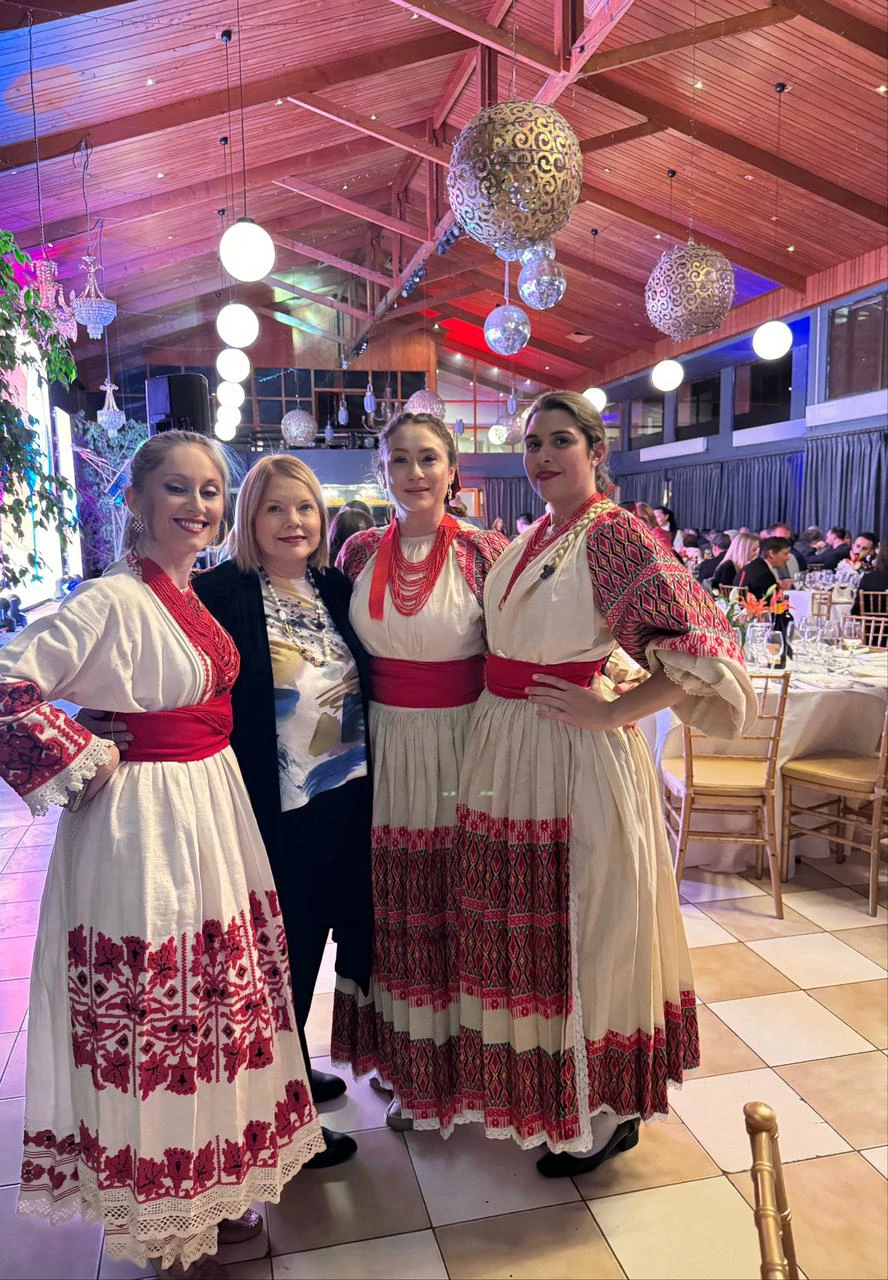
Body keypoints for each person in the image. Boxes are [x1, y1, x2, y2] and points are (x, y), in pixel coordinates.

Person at [0, 432, 323, 1278]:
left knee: (214, 1001)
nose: (198, 506)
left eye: (210, 492)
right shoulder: (111, 599)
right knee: (156, 1009)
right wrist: (85, 753)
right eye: (179, 490)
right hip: (144, 822)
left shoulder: (182, 593)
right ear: (139, 501)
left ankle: (212, 1185)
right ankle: (161, 1210)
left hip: (210, 808)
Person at [447, 390, 753, 1176]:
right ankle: (553, 1091)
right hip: (513, 751)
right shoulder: (535, 538)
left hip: (570, 754)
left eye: (559, 441)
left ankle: (604, 1110)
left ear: (594, 450)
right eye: (532, 444)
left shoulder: (615, 533)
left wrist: (613, 709)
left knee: (586, 924)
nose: (543, 456)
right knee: (533, 920)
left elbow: (705, 653)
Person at [83, 455, 374, 1174]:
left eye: (305, 507)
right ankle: (284, 1111)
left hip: (348, 797)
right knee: (279, 956)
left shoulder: (335, 587)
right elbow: (144, 666)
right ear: (250, 518)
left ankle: (295, 1070)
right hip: (267, 808)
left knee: (324, 942)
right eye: (276, 508)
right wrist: (97, 719)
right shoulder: (215, 592)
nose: (294, 522)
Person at [329, 412, 507, 1131]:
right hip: (379, 750)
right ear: (381, 472)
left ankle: (468, 1070)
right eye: (399, 460)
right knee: (394, 911)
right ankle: (408, 1067)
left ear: (453, 467)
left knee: (458, 907)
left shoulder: (487, 552)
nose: (414, 473)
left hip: (466, 744)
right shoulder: (357, 551)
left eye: (428, 458)